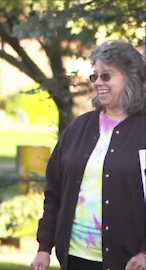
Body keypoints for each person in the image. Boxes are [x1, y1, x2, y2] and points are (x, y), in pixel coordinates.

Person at [31, 40, 146, 270]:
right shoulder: (79, 128)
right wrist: (44, 248)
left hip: (129, 262)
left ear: (130, 78)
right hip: (75, 258)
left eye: (106, 76)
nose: (98, 83)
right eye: (95, 76)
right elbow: (54, 191)